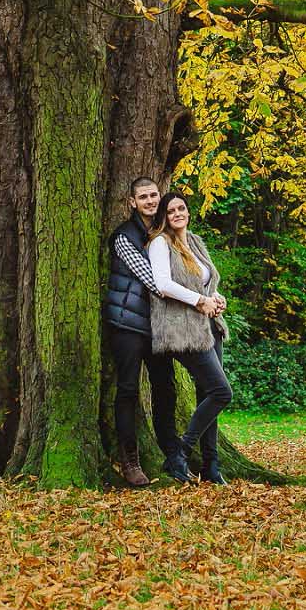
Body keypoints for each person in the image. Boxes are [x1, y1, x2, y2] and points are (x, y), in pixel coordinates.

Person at [145, 191, 233, 484]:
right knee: (222, 392)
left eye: (182, 208)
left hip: (209, 325)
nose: (178, 214)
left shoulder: (194, 242)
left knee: (208, 395)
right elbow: (163, 284)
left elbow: (206, 283)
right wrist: (199, 301)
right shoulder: (160, 243)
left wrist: (216, 299)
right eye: (171, 211)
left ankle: (211, 465)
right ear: (164, 217)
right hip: (182, 329)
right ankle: (180, 453)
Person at [105, 175, 179, 488]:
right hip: (127, 323)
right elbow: (154, 281)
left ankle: (172, 454)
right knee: (128, 390)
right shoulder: (124, 236)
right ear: (132, 203)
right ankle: (130, 460)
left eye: (153, 195)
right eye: (143, 197)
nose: (150, 201)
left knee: (166, 387)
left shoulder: (165, 233)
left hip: (156, 324)